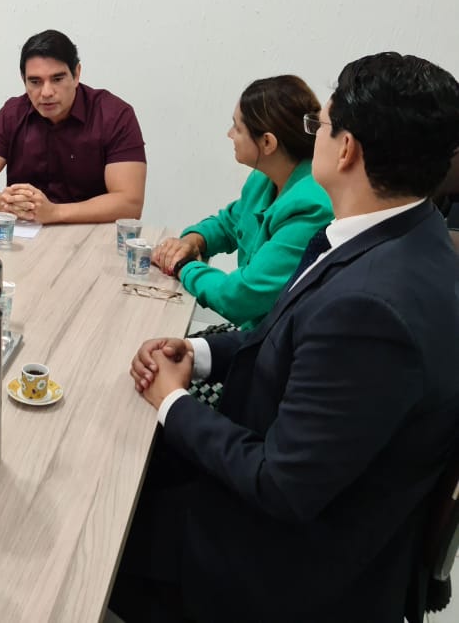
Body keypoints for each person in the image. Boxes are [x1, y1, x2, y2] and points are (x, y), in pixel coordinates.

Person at [116, 53, 459, 623]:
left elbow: (282, 484)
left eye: (320, 125)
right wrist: (198, 355)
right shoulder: (398, 235)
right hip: (300, 484)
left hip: (286, 567)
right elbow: (281, 330)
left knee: (102, 511)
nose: (313, 135)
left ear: (346, 149)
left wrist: (171, 401)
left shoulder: (371, 309)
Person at [151, 75, 333, 329]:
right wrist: (192, 241)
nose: (229, 134)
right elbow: (229, 224)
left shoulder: (311, 207)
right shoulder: (263, 179)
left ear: (267, 142)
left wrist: (182, 265)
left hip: (270, 347)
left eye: (237, 127)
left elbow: (240, 297)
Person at [0, 29, 145, 224]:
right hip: (26, 236)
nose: (46, 92)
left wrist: (55, 213)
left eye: (57, 79)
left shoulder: (115, 115)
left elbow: (129, 203)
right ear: (24, 80)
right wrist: (2, 203)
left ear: (76, 74)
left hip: (89, 236)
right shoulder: (13, 113)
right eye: (35, 82)